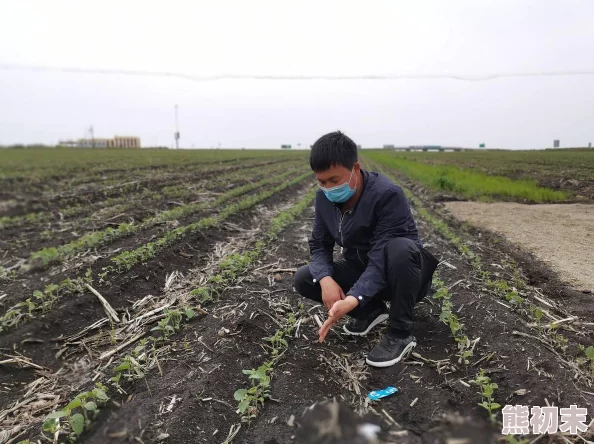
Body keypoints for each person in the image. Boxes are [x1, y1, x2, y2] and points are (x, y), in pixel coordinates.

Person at [293, 131, 439, 368]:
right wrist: (325, 278)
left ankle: (400, 333)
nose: (328, 188)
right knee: (305, 277)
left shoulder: (386, 195)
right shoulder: (324, 199)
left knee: (400, 248)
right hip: (361, 269)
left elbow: (381, 259)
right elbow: (320, 244)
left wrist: (353, 298)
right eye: (321, 182)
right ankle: (371, 313)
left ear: (356, 169)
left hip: (400, 275)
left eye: (334, 180)